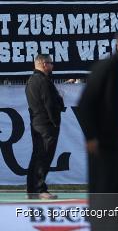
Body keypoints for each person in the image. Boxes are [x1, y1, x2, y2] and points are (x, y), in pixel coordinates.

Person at [78, 26, 118, 231]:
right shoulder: (106, 67)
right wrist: (91, 136)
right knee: (104, 196)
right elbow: (86, 104)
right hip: (104, 145)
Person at [25, 54, 64, 200]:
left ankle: (32, 189)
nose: (52, 66)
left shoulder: (30, 81)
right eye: (50, 63)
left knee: (37, 156)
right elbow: (50, 104)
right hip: (46, 125)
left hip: (36, 123)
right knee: (44, 157)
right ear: (43, 63)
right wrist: (56, 122)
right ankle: (40, 189)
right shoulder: (43, 81)